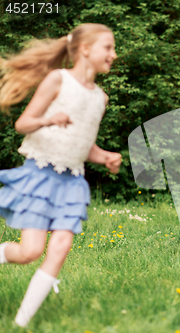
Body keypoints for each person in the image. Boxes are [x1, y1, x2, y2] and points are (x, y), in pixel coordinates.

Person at [0, 23, 122, 327]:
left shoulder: (100, 98)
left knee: (61, 246)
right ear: (85, 50)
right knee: (30, 251)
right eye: (108, 48)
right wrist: (48, 119)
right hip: (41, 174)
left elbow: (84, 144)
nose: (114, 55)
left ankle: (21, 324)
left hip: (72, 182)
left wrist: (104, 156)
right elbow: (23, 123)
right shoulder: (58, 79)